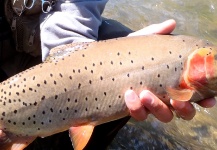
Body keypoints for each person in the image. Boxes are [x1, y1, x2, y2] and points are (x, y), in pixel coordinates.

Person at [0, 0, 216, 149]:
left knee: (117, 36)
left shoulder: (190, 61)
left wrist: (82, 56)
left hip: (38, 49)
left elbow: (73, 12)